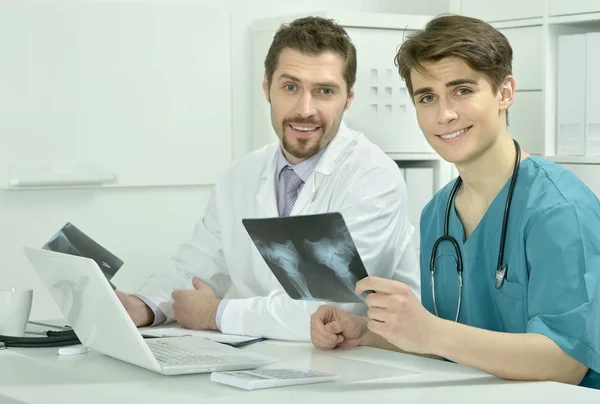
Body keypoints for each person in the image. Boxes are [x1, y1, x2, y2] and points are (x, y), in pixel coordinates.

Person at [310, 14, 600, 389]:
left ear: (505, 93)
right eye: (427, 97)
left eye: (462, 90)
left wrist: (430, 332)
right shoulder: (439, 213)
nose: (444, 114)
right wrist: (366, 331)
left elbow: (567, 361)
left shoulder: (560, 209)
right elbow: (451, 343)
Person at [115, 16, 420, 341]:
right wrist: (143, 305)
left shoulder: (373, 178)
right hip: (268, 361)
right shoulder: (239, 177)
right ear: (267, 88)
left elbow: (331, 310)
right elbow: (195, 265)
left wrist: (215, 313)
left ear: (348, 98)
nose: (305, 109)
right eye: (291, 87)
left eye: (325, 91)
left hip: (365, 369)